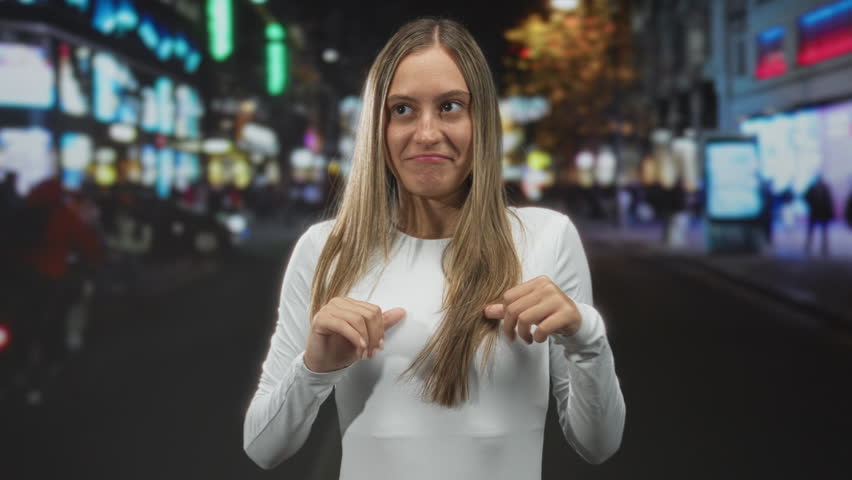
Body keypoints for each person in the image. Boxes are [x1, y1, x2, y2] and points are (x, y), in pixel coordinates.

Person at [243, 18, 625, 478]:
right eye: (403, 109)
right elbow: (263, 447)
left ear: (480, 120)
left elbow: (598, 443)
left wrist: (587, 336)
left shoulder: (546, 237)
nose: (426, 133)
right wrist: (314, 369)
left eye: (449, 107)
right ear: (377, 127)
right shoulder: (327, 249)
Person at [804, 176, 834, 257]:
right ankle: (808, 245)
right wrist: (811, 204)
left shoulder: (825, 189)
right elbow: (805, 197)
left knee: (824, 231)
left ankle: (824, 246)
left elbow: (829, 201)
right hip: (814, 212)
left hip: (823, 213)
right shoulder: (812, 188)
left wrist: (830, 213)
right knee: (811, 230)